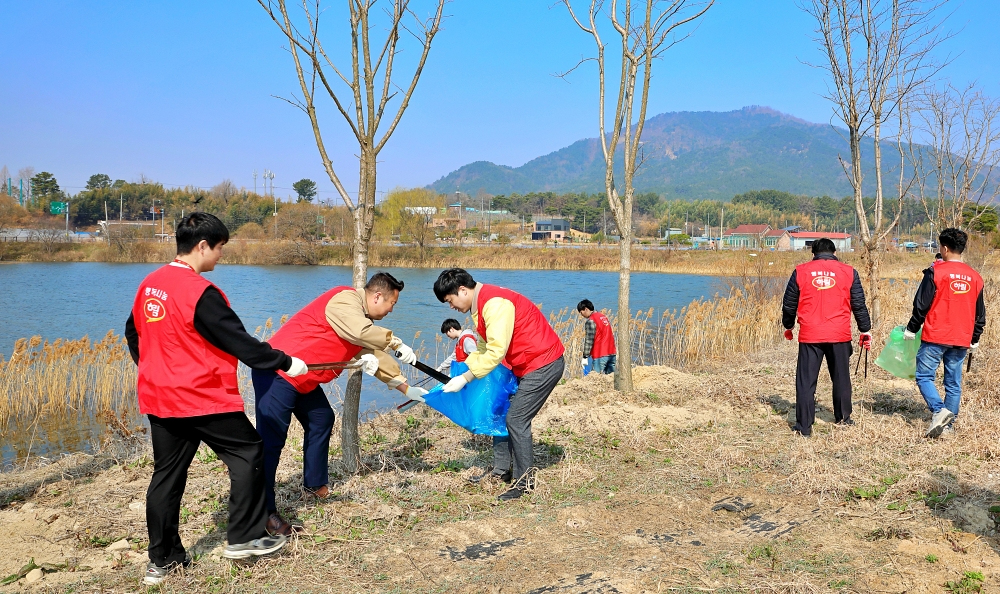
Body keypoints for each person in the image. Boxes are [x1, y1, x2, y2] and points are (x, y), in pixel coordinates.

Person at [125, 213, 301, 586]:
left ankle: (163, 561)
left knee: (166, 476)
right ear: (202, 246)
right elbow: (241, 343)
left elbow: (132, 333)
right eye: (219, 248)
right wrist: (287, 362)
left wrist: (154, 370)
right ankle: (245, 537)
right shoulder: (199, 292)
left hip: (160, 396)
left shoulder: (150, 284)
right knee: (250, 451)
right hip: (201, 396)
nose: (220, 256)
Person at [252, 272, 425, 535]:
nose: (392, 310)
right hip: (277, 373)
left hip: (302, 380)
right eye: (392, 303)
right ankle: (262, 514)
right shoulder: (344, 301)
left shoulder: (359, 320)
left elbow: (374, 355)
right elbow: (363, 334)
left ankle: (313, 484)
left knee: (321, 418)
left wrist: (405, 387)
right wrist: (394, 341)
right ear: (377, 296)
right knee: (271, 442)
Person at [433, 268, 565, 501]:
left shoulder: (494, 304)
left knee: (516, 419)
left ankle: (525, 484)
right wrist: (462, 374)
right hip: (524, 365)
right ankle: (501, 471)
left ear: (462, 290)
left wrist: (466, 377)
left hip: (544, 362)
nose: (451, 307)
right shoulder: (481, 305)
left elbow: (496, 351)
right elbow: (483, 348)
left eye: (450, 300)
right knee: (502, 412)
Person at [781, 238, 871, 438]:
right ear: (834, 251)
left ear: (813, 253)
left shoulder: (801, 271)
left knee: (806, 381)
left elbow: (789, 304)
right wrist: (865, 329)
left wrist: (788, 325)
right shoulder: (849, 272)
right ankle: (843, 419)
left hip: (811, 334)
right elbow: (859, 303)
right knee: (841, 378)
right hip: (839, 334)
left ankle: (804, 426)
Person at [904, 228, 985, 438]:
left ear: (945, 248)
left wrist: (912, 328)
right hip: (961, 337)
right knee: (953, 383)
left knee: (923, 376)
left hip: (936, 335)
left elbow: (921, 305)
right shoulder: (976, 277)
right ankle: (948, 427)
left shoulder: (935, 272)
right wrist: (975, 337)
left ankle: (940, 411)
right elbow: (980, 314)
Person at [576, 299, 616, 375]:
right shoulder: (603, 316)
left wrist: (585, 357)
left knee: (596, 379)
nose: (582, 315)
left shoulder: (591, 321)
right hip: (612, 352)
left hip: (600, 354)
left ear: (586, 309)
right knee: (611, 379)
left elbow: (589, 340)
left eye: (581, 312)